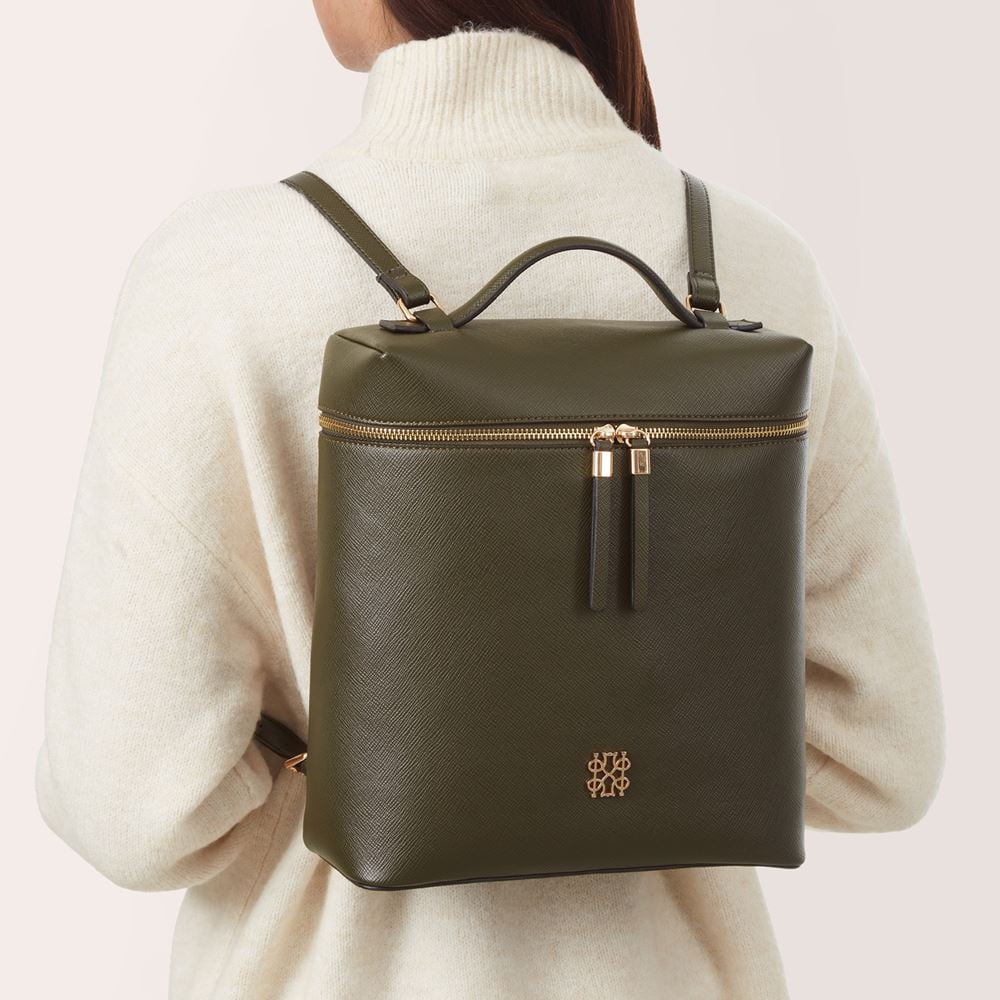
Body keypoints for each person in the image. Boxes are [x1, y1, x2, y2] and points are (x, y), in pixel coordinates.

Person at [36, 2, 944, 997]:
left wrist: (349, 765)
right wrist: (645, 745)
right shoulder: (758, 264)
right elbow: (882, 754)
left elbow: (131, 809)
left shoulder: (217, 274)